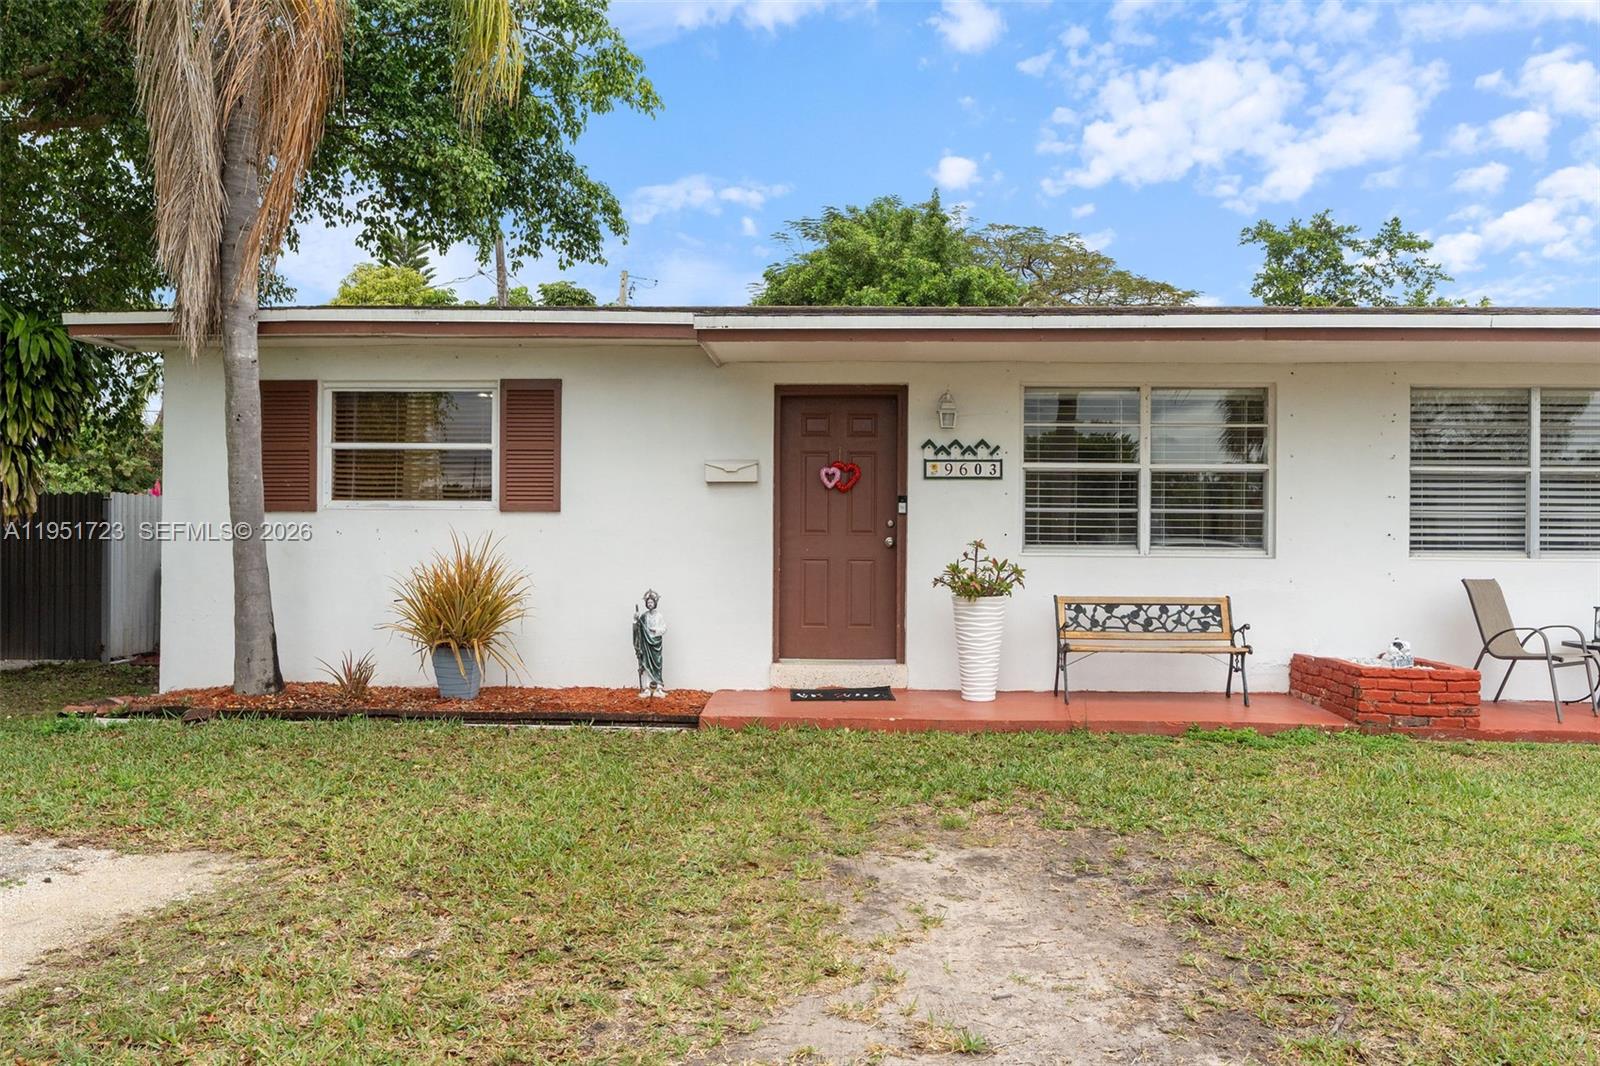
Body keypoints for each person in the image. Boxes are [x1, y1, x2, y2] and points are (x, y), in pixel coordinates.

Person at [633, 589, 667, 697]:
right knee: (647, 664)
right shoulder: (644, 616)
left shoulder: (659, 616)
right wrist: (635, 619)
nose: (650, 604)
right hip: (646, 645)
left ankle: (658, 687)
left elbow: (664, 628)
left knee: (657, 664)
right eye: (648, 603)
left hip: (656, 644)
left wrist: (656, 631)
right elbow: (637, 628)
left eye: (652, 602)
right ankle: (647, 687)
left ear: (655, 603)